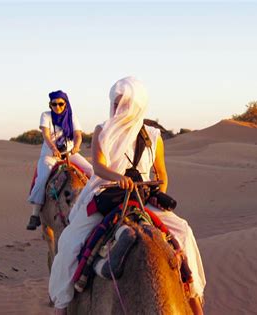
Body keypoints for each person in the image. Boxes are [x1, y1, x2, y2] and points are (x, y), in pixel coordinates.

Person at [49, 77, 206, 314]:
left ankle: (193, 296)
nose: (117, 106)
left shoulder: (153, 136)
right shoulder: (103, 130)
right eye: (115, 100)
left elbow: (161, 174)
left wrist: (156, 196)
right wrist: (115, 177)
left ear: (137, 104)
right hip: (107, 194)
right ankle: (62, 305)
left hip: (142, 199)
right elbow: (99, 167)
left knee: (183, 231)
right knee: (69, 241)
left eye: (123, 102)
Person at [26, 90, 93, 230]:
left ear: (65, 104)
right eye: (54, 104)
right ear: (50, 105)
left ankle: (97, 205)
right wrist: (53, 148)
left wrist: (76, 146)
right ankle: (35, 214)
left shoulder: (71, 117)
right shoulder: (46, 116)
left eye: (60, 104)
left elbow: (77, 135)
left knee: (92, 171)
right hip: (50, 154)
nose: (57, 107)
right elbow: (46, 135)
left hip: (69, 153)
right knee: (43, 177)